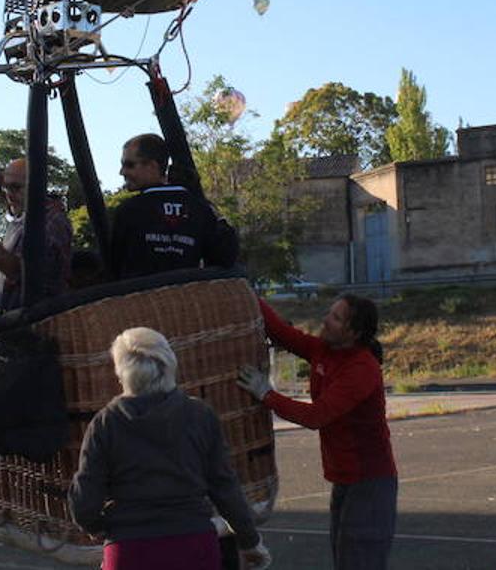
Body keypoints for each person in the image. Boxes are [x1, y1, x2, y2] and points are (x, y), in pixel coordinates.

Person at [68, 327, 269, 570]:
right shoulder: (199, 415)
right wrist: (250, 541)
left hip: (129, 548)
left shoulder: (105, 423)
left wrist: (100, 526)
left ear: (121, 374)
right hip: (193, 545)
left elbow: (84, 503)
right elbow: (225, 487)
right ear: (171, 365)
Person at [237, 294, 396, 570]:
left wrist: (267, 394)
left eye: (335, 317)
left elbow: (316, 416)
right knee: (345, 558)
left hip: (369, 483)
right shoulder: (324, 350)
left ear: (353, 333)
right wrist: (245, 288)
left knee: (359, 562)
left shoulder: (361, 369)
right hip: (345, 479)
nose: (325, 319)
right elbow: (282, 333)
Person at [0, 138, 72, 310]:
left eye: (15, 187)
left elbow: (19, 272)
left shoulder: (50, 224)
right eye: (6, 187)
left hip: (38, 322)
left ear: (37, 185)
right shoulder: (29, 209)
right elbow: (14, 195)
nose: (8, 194)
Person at [109, 133, 238, 279]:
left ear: (152, 166)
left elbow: (114, 265)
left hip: (140, 298)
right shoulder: (200, 209)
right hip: (188, 296)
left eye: (129, 165)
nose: (122, 172)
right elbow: (225, 257)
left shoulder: (128, 210)